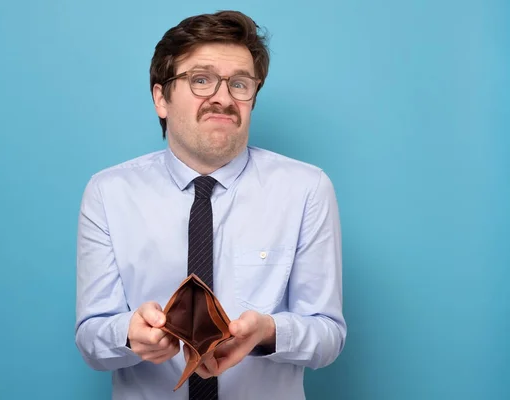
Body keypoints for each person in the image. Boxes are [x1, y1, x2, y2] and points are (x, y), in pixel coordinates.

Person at [75, 10, 346, 400]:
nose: (222, 97)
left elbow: (328, 335)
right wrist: (128, 335)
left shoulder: (306, 189)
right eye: (201, 80)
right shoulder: (108, 193)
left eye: (240, 83)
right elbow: (90, 339)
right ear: (160, 98)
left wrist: (268, 333)